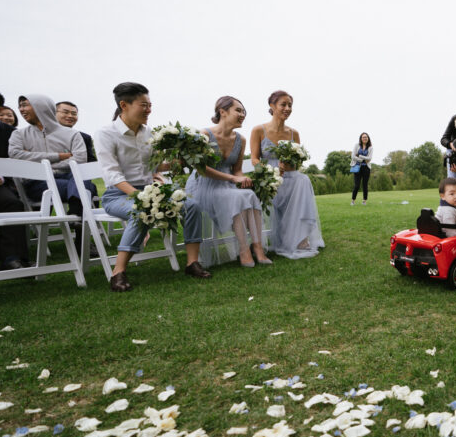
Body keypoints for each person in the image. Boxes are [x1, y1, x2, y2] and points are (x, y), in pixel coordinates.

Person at [96, 82, 211, 292]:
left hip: (152, 191)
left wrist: (176, 163)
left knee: (191, 206)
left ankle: (192, 263)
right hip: (118, 195)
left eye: (150, 105)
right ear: (124, 105)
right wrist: (140, 196)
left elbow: (155, 166)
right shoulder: (106, 133)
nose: (149, 110)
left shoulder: (149, 133)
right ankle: (118, 272)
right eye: (144, 105)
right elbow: (112, 174)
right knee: (142, 210)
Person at [185, 96, 270, 268]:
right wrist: (233, 178)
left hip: (227, 185)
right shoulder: (204, 135)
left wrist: (243, 180)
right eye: (238, 110)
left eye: (244, 111)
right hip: (203, 185)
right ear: (222, 112)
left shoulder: (241, 140)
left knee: (249, 194)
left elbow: (237, 170)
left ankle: (258, 247)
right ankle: (244, 250)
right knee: (238, 197)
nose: (242, 114)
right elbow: (201, 168)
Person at [10, 94, 97, 255]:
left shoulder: (72, 134)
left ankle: (76, 215)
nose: (21, 109)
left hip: (68, 178)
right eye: (20, 105)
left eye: (25, 105)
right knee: (85, 186)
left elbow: (79, 160)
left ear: (41, 107)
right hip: (37, 183)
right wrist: (59, 156)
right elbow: (15, 155)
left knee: (80, 178)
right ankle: (79, 226)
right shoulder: (19, 135)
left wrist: (37, 160)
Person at [250, 90, 324, 259]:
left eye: (290, 105)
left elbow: (298, 163)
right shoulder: (258, 130)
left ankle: (301, 238)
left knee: (303, 179)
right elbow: (254, 159)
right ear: (272, 106)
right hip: (270, 179)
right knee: (294, 182)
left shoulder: (294, 133)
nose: (288, 108)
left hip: (291, 177)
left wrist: (289, 164)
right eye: (283, 104)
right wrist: (271, 171)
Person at [0, 92, 29, 270]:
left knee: (13, 203)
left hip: (1, 183)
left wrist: (3, 176)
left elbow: (18, 161)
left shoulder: (10, 133)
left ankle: (12, 258)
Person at [351, 132, 372, 205]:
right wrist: (362, 159)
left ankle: (364, 201)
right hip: (357, 167)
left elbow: (369, 158)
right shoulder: (356, 145)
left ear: (368, 138)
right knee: (356, 185)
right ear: (361, 138)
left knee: (365, 185)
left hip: (366, 168)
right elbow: (353, 156)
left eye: (366, 137)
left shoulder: (370, 147)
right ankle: (353, 200)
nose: (365, 138)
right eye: (363, 137)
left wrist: (359, 156)